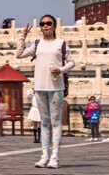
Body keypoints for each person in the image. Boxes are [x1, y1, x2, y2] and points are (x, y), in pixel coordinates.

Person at [16, 14, 75, 169]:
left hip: (56, 87)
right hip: (40, 87)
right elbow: (19, 54)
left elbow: (72, 62)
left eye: (48, 23)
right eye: (42, 24)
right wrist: (22, 36)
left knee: (55, 122)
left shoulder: (61, 44)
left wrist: (61, 70)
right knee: (44, 123)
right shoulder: (37, 43)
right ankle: (44, 156)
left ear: (54, 26)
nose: (45, 26)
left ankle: (54, 156)